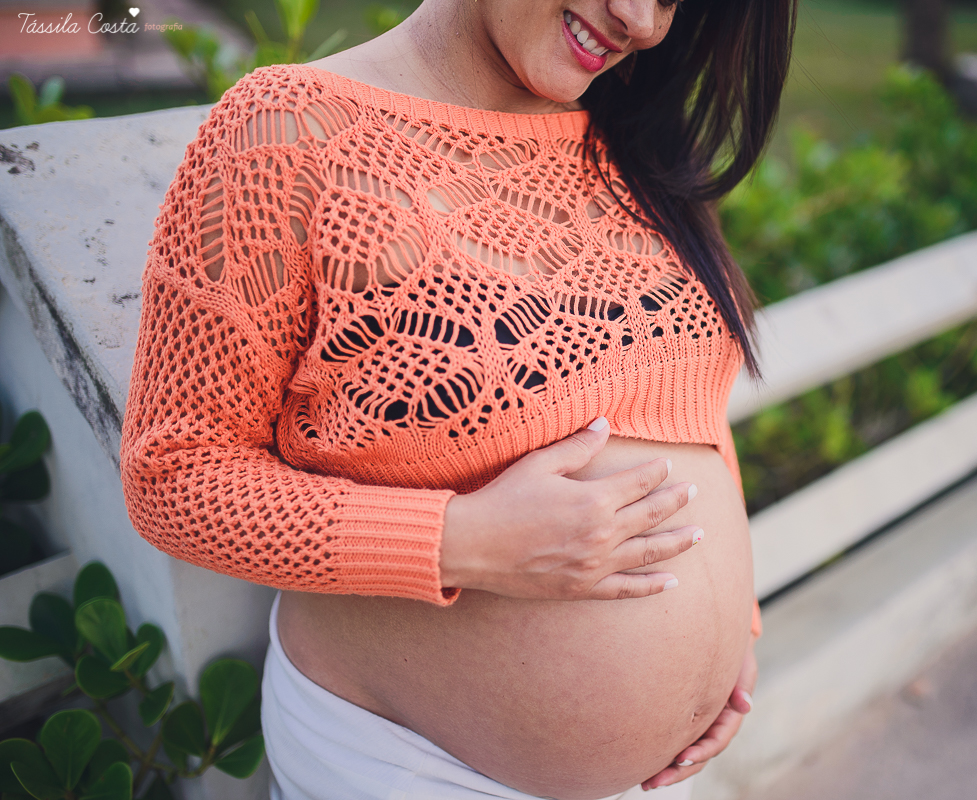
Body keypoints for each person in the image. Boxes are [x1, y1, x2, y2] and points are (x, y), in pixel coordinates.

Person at [119, 0, 798, 797]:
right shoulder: (287, 134)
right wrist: (463, 541)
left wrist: (729, 629)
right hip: (413, 763)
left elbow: (686, 400)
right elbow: (174, 474)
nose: (642, 20)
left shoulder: (633, 139)